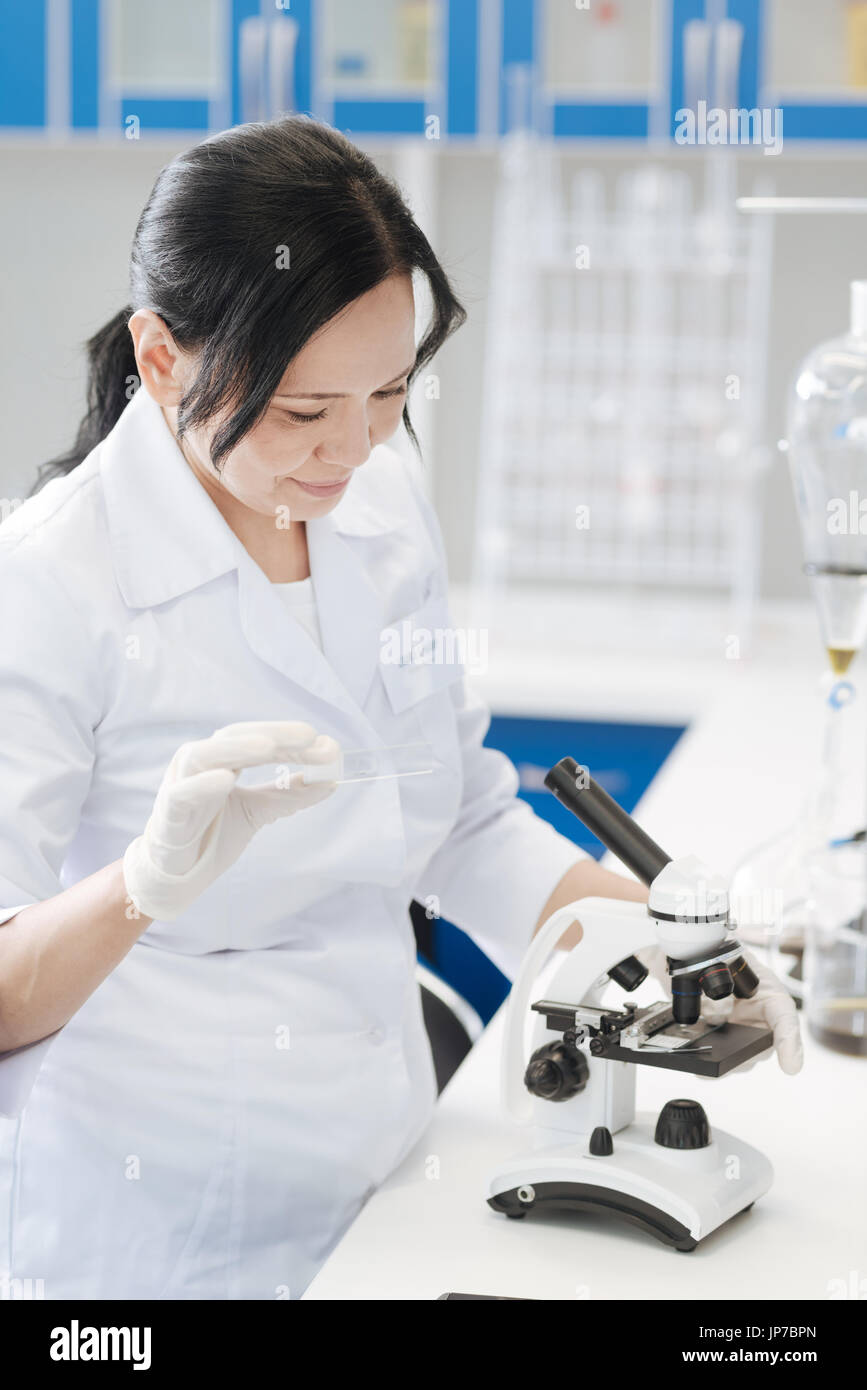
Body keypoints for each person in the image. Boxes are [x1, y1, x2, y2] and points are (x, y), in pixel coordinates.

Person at [0, 116, 801, 1301]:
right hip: (152, 1236)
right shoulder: (50, 582)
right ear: (161, 358)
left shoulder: (377, 500)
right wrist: (140, 889)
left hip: (380, 1177)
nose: (352, 448)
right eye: (301, 411)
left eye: (386, 390)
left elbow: (461, 823)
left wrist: (674, 942)